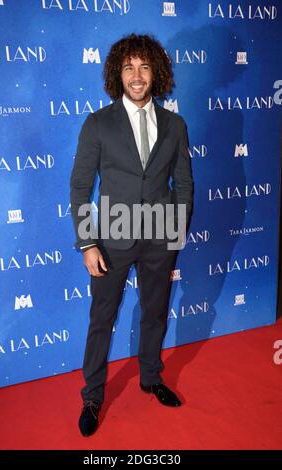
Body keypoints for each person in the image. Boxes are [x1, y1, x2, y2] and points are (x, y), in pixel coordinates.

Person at [70, 33, 193, 437]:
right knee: (101, 318)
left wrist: (175, 233)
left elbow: (184, 184)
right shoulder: (98, 123)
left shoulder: (175, 124)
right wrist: (88, 242)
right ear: (117, 75)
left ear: (156, 72)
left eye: (144, 67)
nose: (137, 76)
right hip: (112, 239)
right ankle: (92, 395)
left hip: (160, 237)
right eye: (128, 68)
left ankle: (151, 377)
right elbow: (80, 187)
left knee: (155, 313)